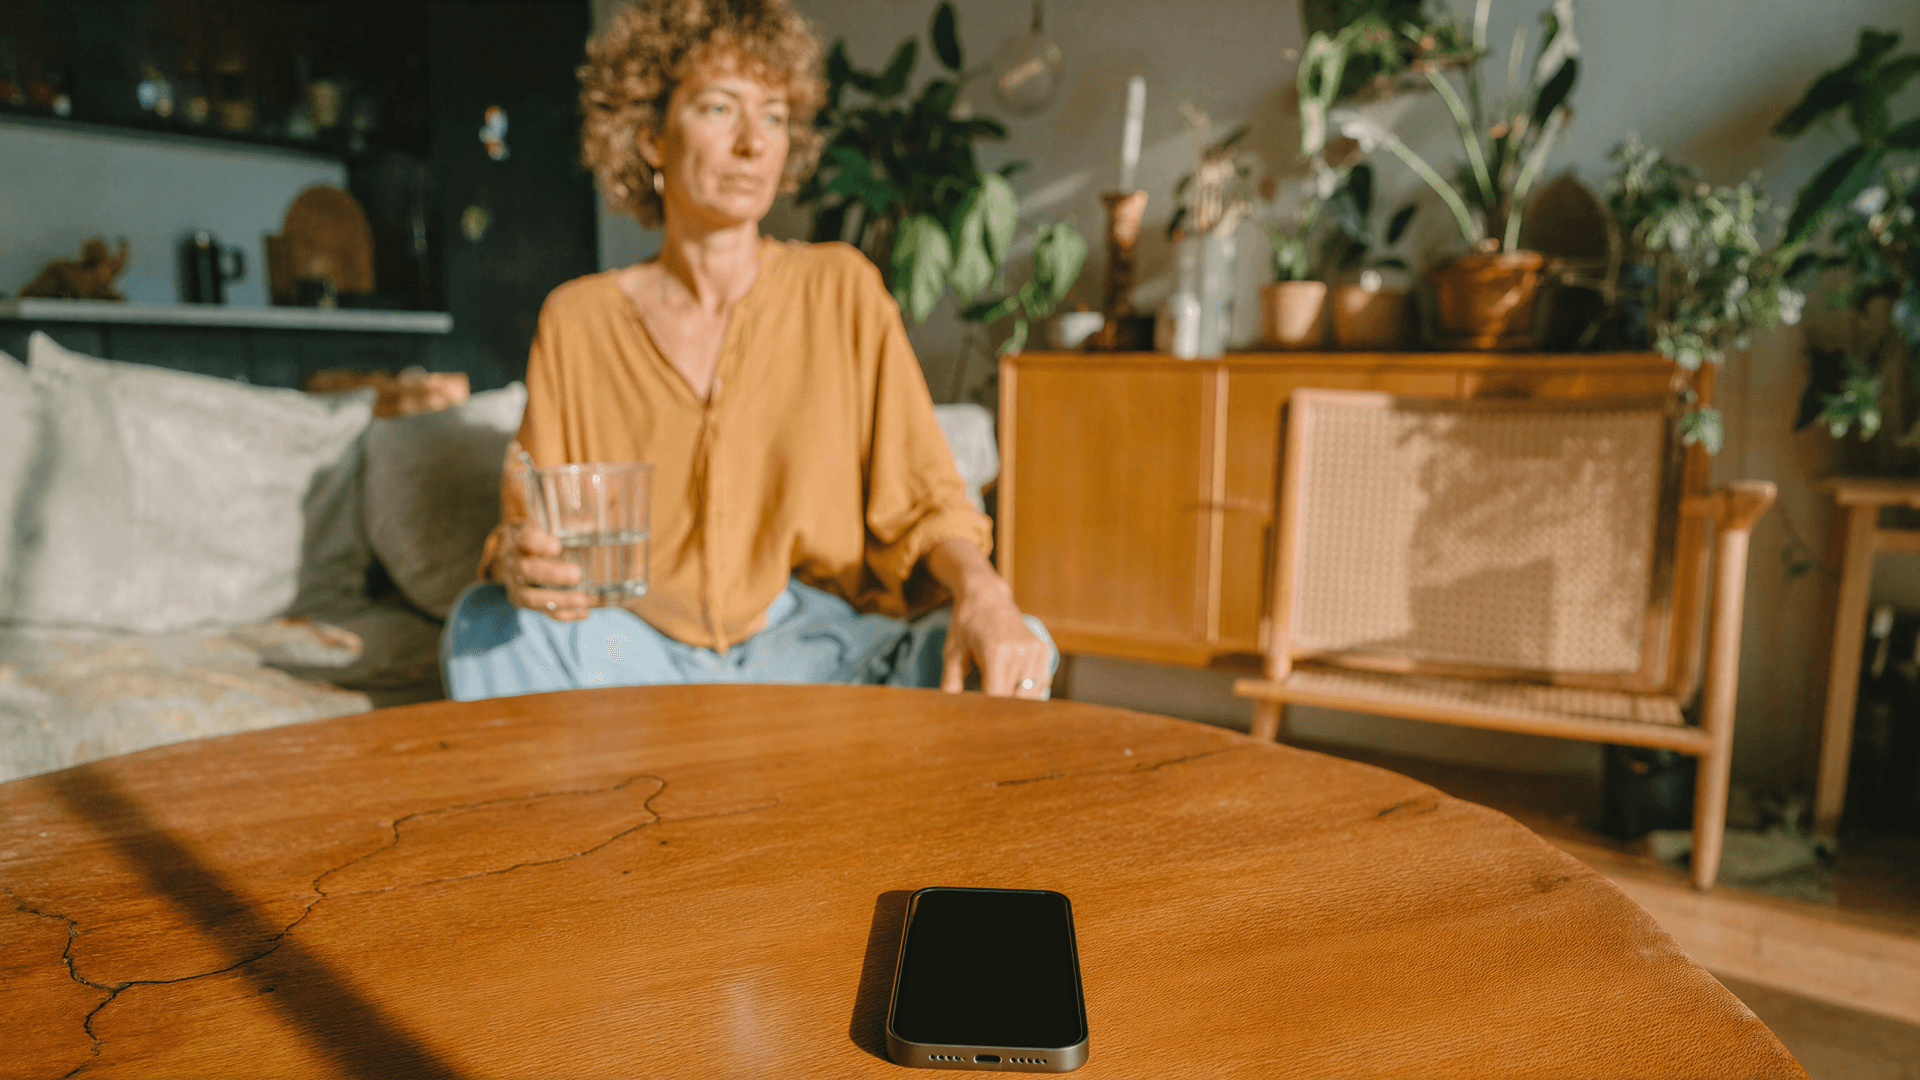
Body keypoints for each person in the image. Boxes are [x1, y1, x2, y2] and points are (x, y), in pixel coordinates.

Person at [440, 0, 1056, 702]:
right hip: (634, 653)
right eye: (719, 109)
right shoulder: (578, 319)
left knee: (1021, 641)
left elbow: (929, 502)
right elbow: (531, 518)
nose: (754, 144)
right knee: (482, 626)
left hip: (819, 654)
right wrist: (520, 562)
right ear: (648, 134)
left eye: (772, 115)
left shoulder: (841, 289)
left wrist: (987, 595)